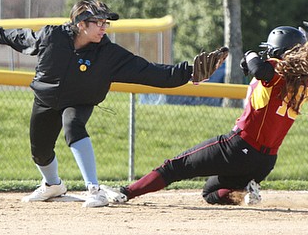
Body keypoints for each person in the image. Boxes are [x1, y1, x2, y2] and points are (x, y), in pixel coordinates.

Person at [0, 0, 212, 207]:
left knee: (73, 125)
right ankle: (52, 185)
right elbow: (16, 37)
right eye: (99, 22)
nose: (104, 27)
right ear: (81, 24)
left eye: (106, 23)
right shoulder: (52, 37)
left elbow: (150, 71)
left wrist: (190, 73)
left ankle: (94, 190)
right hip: (46, 99)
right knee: (40, 151)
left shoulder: (108, 54)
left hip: (80, 100)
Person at [101, 26, 308, 206]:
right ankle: (246, 191)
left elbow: (259, 69)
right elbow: (263, 76)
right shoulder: (302, 84)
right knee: (210, 192)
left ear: (277, 50)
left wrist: (250, 54)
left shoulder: (275, 69)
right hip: (265, 161)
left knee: (174, 167)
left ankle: (125, 192)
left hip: (238, 146)